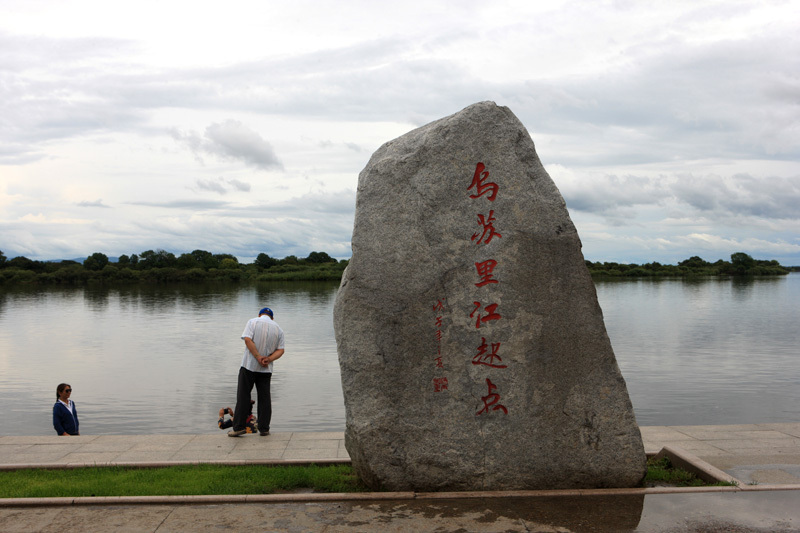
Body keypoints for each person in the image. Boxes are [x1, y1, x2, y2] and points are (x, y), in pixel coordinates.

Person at [229, 306, 285, 437]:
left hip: (249, 365)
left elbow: (248, 340)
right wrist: (268, 358)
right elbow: (281, 350)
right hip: (266, 369)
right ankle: (264, 428)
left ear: (260, 315)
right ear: (272, 317)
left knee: (243, 396)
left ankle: (238, 427)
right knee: (265, 398)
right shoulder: (278, 329)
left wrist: (257, 356)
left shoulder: (252, 322)